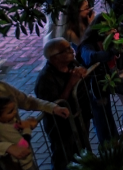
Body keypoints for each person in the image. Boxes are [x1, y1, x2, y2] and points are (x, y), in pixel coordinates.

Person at [35, 39, 92, 170]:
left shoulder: (72, 63)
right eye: (65, 50)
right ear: (54, 58)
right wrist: (71, 83)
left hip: (81, 116)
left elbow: (82, 77)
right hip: (62, 128)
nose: (71, 51)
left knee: (83, 151)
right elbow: (56, 105)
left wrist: (83, 74)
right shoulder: (45, 80)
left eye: (69, 47)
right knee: (63, 159)